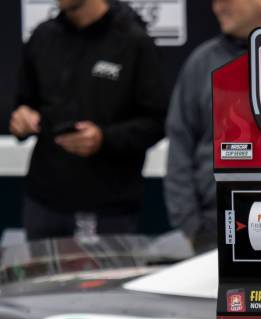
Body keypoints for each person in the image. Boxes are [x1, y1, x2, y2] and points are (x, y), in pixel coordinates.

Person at [10, 0, 167, 241]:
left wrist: (104, 139)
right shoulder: (42, 36)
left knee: (106, 280)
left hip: (108, 210)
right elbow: (23, 103)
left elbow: (157, 122)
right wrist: (21, 119)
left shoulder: (133, 42)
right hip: (43, 204)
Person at [164, 0, 261, 253]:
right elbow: (180, 144)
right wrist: (192, 226)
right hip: (216, 230)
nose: (217, 8)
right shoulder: (203, 62)